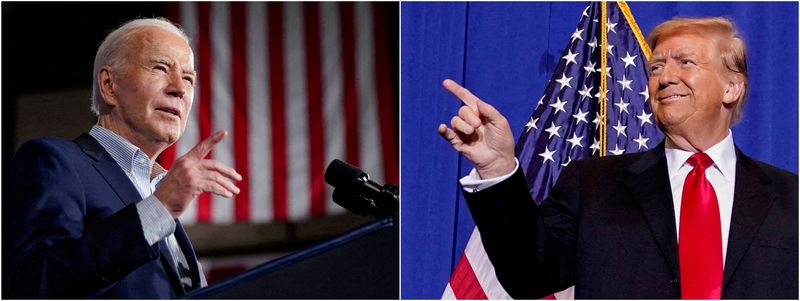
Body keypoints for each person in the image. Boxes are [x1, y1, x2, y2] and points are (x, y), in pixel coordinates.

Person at [438, 17, 797, 299]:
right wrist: (496, 167)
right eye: (656, 68)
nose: (664, 77)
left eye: (684, 62)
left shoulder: (790, 197)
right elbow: (528, 276)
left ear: (731, 87)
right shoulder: (592, 184)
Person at [4, 18, 242, 298]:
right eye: (160, 68)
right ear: (109, 85)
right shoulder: (55, 162)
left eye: (189, 78)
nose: (179, 88)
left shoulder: (157, 193)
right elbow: (36, 285)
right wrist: (160, 208)